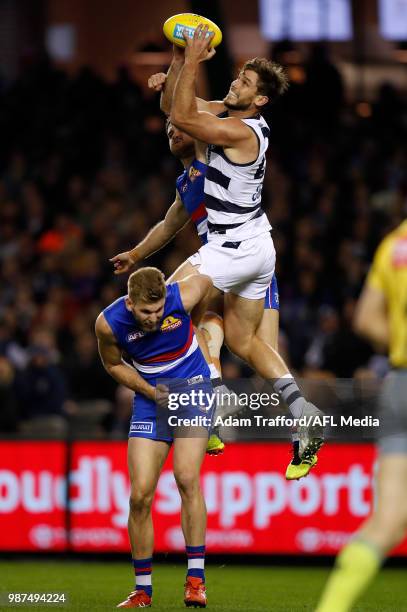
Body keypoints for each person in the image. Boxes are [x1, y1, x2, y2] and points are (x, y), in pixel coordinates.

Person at [111, 32, 323, 477]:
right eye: (239, 76)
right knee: (246, 342)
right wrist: (175, 59)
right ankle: (304, 414)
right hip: (256, 247)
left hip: (231, 248)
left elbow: (184, 115)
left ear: (259, 99)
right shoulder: (213, 142)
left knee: (167, 302)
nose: (236, 84)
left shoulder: (238, 131)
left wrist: (189, 59)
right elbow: (178, 110)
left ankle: (205, 405)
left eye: (245, 82)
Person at [96, 267, 215, 608]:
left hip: (193, 393)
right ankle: (143, 591)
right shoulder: (109, 323)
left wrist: (198, 328)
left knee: (187, 478)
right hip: (151, 401)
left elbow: (208, 282)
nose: (154, 317)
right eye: (146, 312)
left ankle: (195, 582)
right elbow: (113, 365)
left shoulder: (185, 293)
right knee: (140, 497)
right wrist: (148, 390)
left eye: (160, 310)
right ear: (130, 303)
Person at [316, 220, 407, 611]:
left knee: (387, 520)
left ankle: (331, 608)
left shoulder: (394, 244)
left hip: (400, 385)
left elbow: (367, 319)